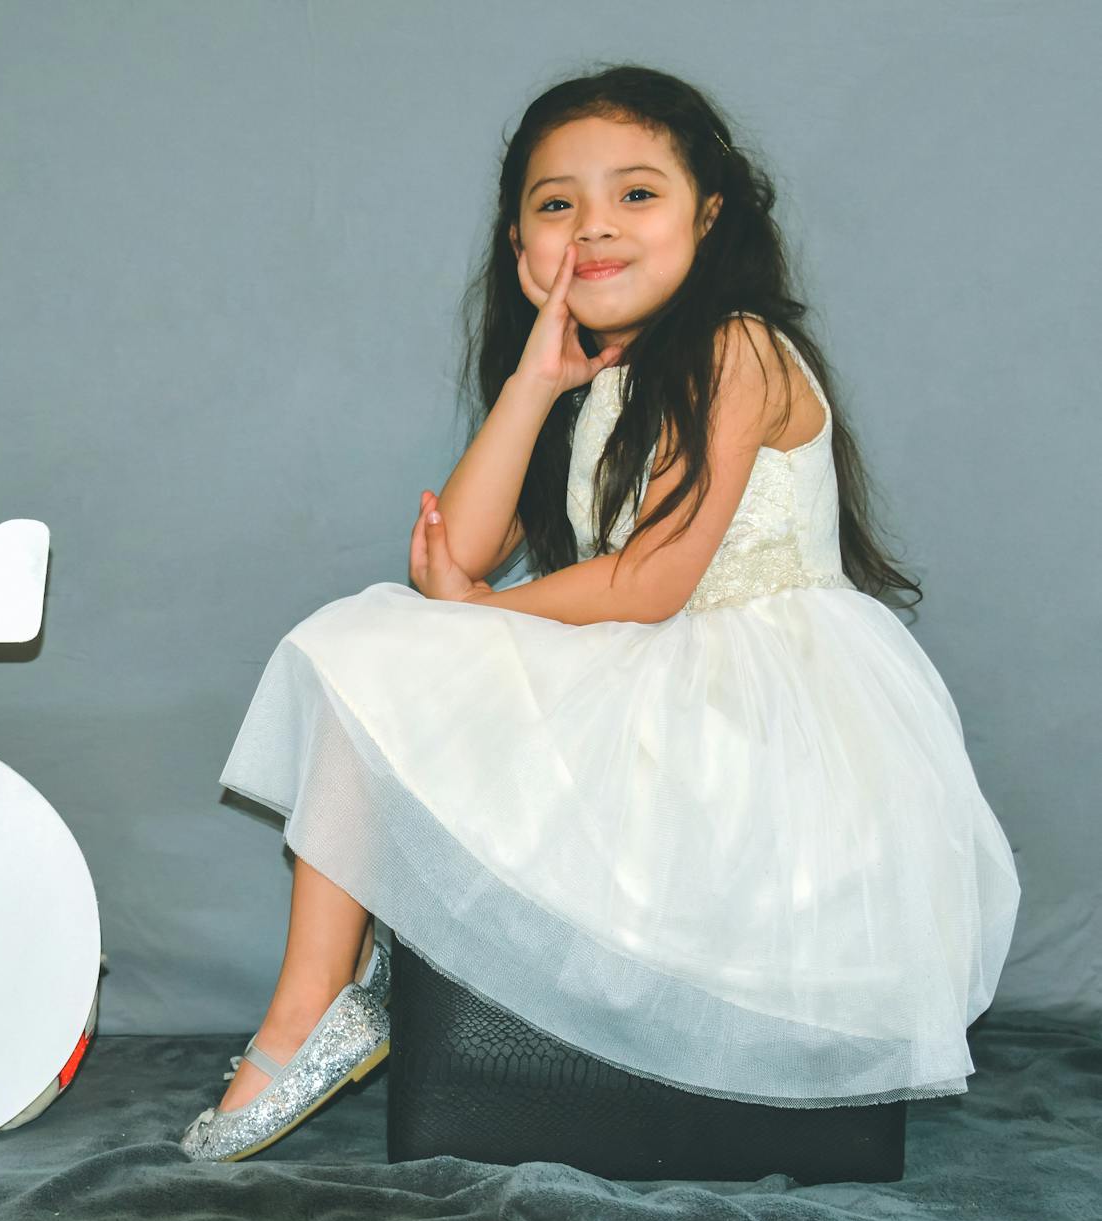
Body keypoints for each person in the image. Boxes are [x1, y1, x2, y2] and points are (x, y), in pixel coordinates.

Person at [179, 64, 1022, 1163]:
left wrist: (483, 610)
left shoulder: (738, 348)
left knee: (381, 640)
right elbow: (459, 550)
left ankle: (308, 1008)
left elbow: (651, 579)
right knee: (380, 636)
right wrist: (537, 377)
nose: (594, 227)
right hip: (659, 675)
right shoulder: (600, 379)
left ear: (706, 217)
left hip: (758, 718)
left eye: (635, 195)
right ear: (519, 241)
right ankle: (319, 1005)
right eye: (554, 204)